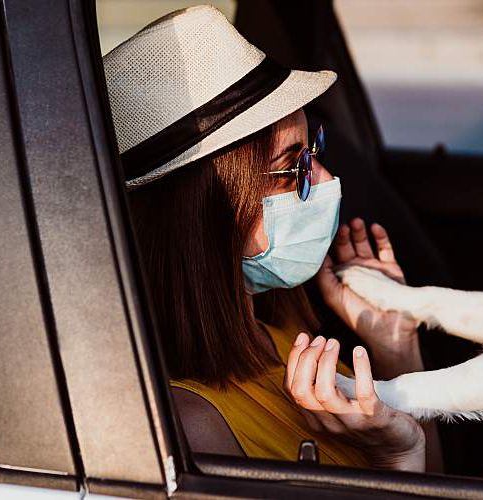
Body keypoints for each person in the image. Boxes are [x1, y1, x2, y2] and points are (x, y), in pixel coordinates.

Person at [102, 5, 441, 472]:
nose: (323, 178)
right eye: (293, 166)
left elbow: (441, 476)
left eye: (314, 151)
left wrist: (394, 345)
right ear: (208, 212)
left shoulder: (275, 333)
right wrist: (398, 456)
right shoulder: (196, 428)